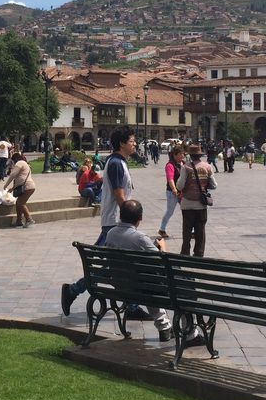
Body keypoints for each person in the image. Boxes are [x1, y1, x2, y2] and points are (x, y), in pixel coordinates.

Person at [103, 200, 203, 346]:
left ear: (121, 215)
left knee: (149, 281)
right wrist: (162, 247)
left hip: (124, 286)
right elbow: (165, 263)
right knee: (185, 285)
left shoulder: (111, 233)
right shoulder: (140, 238)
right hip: (143, 288)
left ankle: (165, 327)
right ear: (140, 218)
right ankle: (189, 334)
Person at [61, 125, 137, 316]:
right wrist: (129, 218)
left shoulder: (118, 161)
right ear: (121, 143)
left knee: (117, 265)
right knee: (105, 265)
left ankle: (131, 305)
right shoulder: (116, 164)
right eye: (131, 141)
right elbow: (119, 194)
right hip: (114, 222)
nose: (134, 144)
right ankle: (73, 290)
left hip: (115, 221)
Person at [176, 144, 215, 257]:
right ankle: (199, 253)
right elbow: (214, 185)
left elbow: (179, 185)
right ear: (200, 155)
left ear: (191, 156)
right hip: (201, 204)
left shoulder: (186, 167)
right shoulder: (207, 167)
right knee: (200, 230)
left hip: (187, 204)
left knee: (187, 230)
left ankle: (185, 252)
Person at [3, 151, 37, 228]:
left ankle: (29, 219)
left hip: (27, 186)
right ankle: (19, 221)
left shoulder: (20, 163)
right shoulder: (25, 163)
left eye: (13, 161)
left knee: (21, 203)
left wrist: (6, 184)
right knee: (18, 203)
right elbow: (21, 179)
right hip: (29, 186)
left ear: (15, 159)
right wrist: (12, 188)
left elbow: (13, 175)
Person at [159, 144, 185, 240]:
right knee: (170, 211)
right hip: (172, 192)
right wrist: (174, 189)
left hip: (182, 192)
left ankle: (191, 231)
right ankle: (162, 229)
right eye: (180, 154)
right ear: (174, 155)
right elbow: (170, 179)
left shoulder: (183, 163)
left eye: (183, 154)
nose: (182, 156)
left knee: (187, 210)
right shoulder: (170, 165)